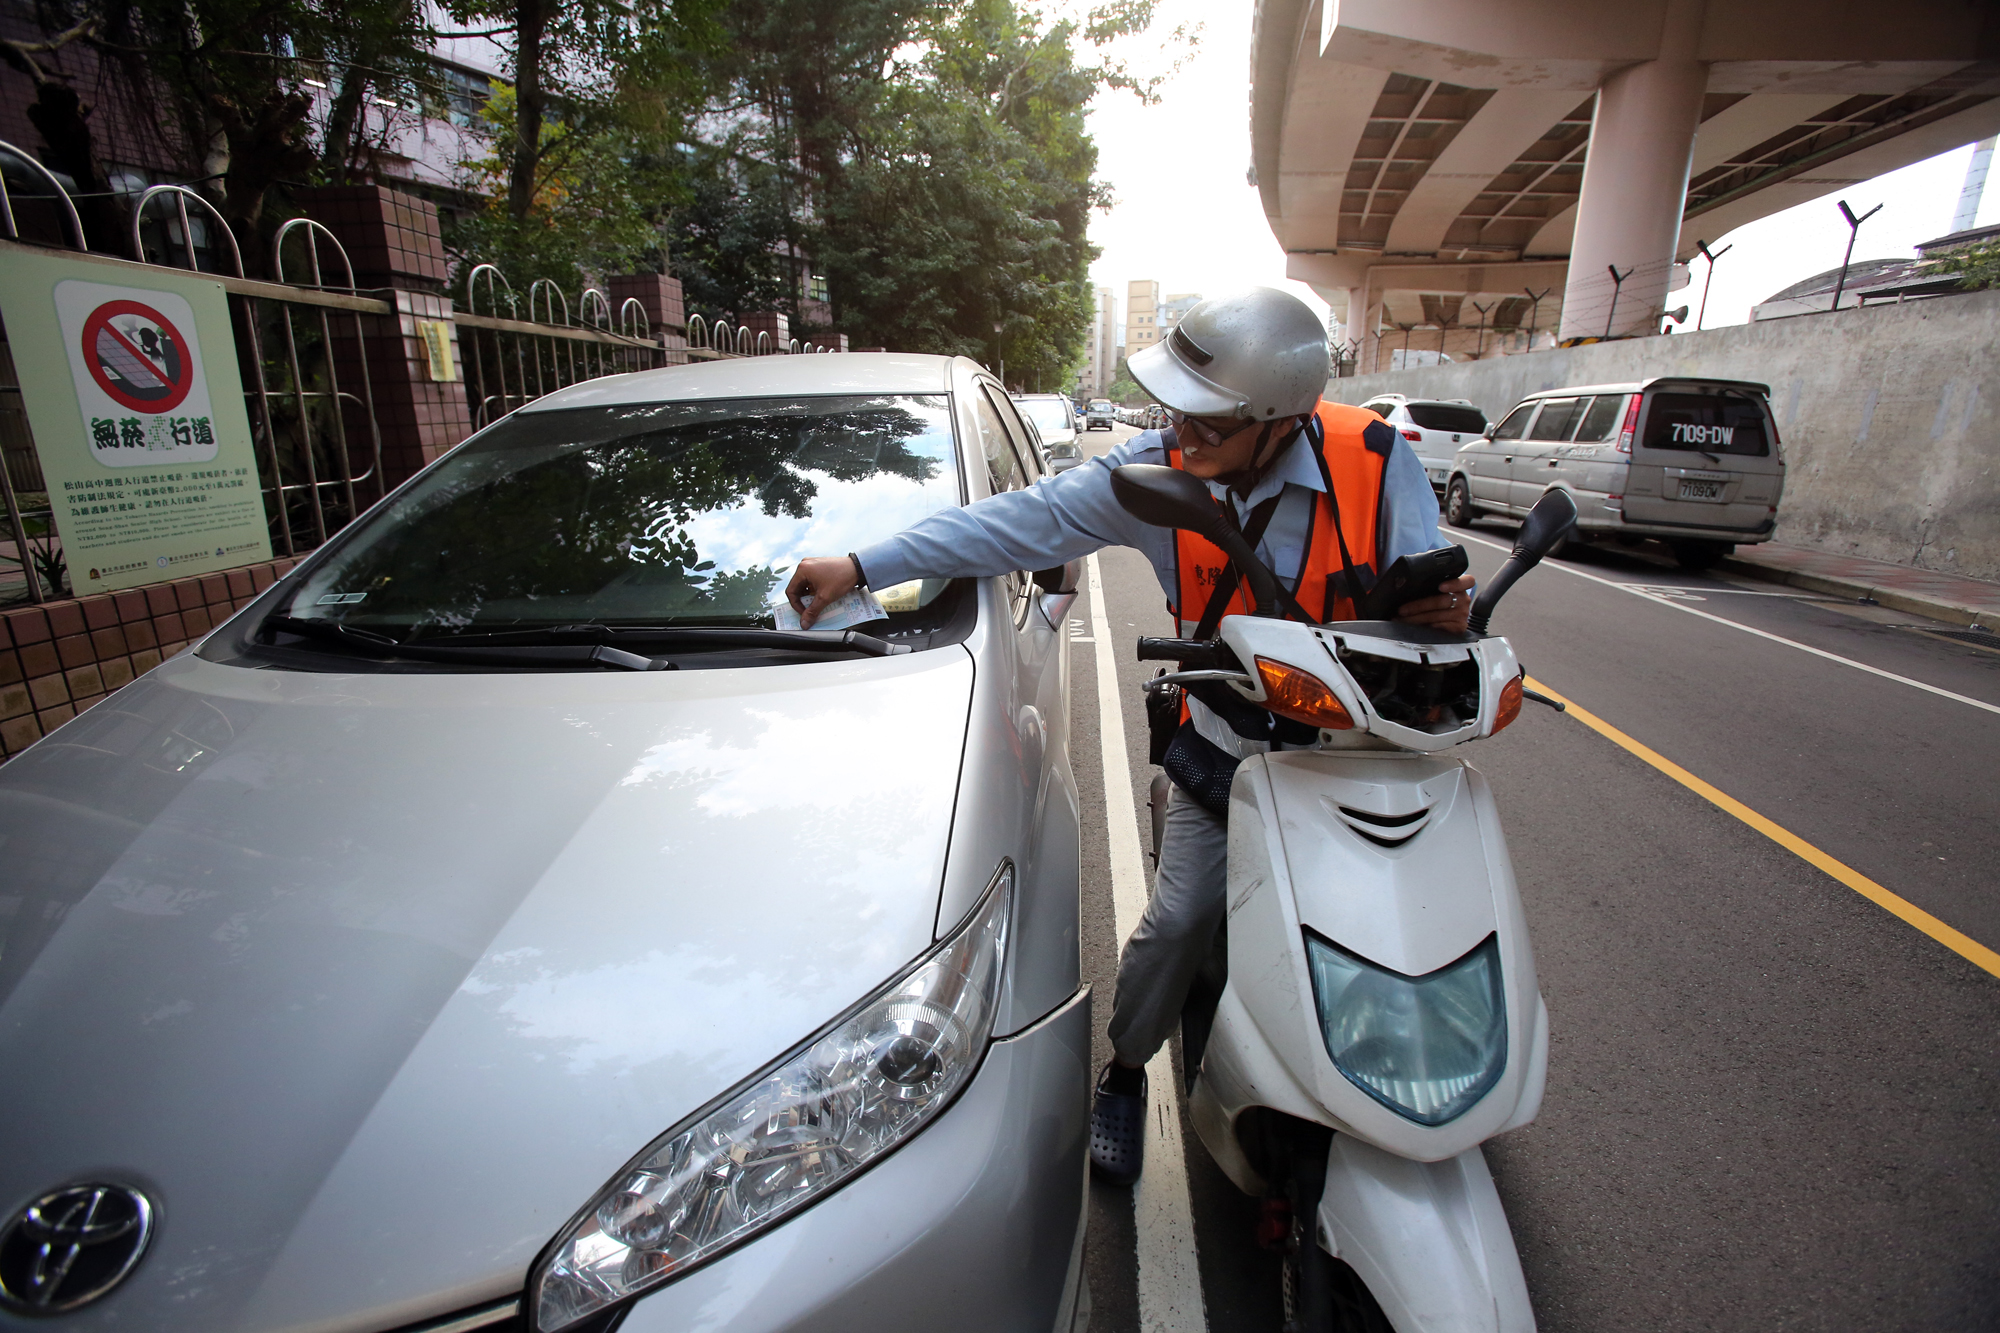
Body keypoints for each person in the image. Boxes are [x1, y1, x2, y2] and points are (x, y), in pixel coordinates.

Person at [785, 288, 1474, 1185]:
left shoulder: (1377, 462)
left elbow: (1434, 609)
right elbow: (1015, 523)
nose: (1180, 435)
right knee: (1176, 922)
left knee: (1422, 923)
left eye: (1208, 422)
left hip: (1353, 762)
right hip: (1229, 756)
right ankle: (1126, 1066)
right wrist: (862, 564)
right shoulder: (1156, 474)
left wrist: (1442, 617)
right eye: (1175, 411)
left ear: (1278, 423)